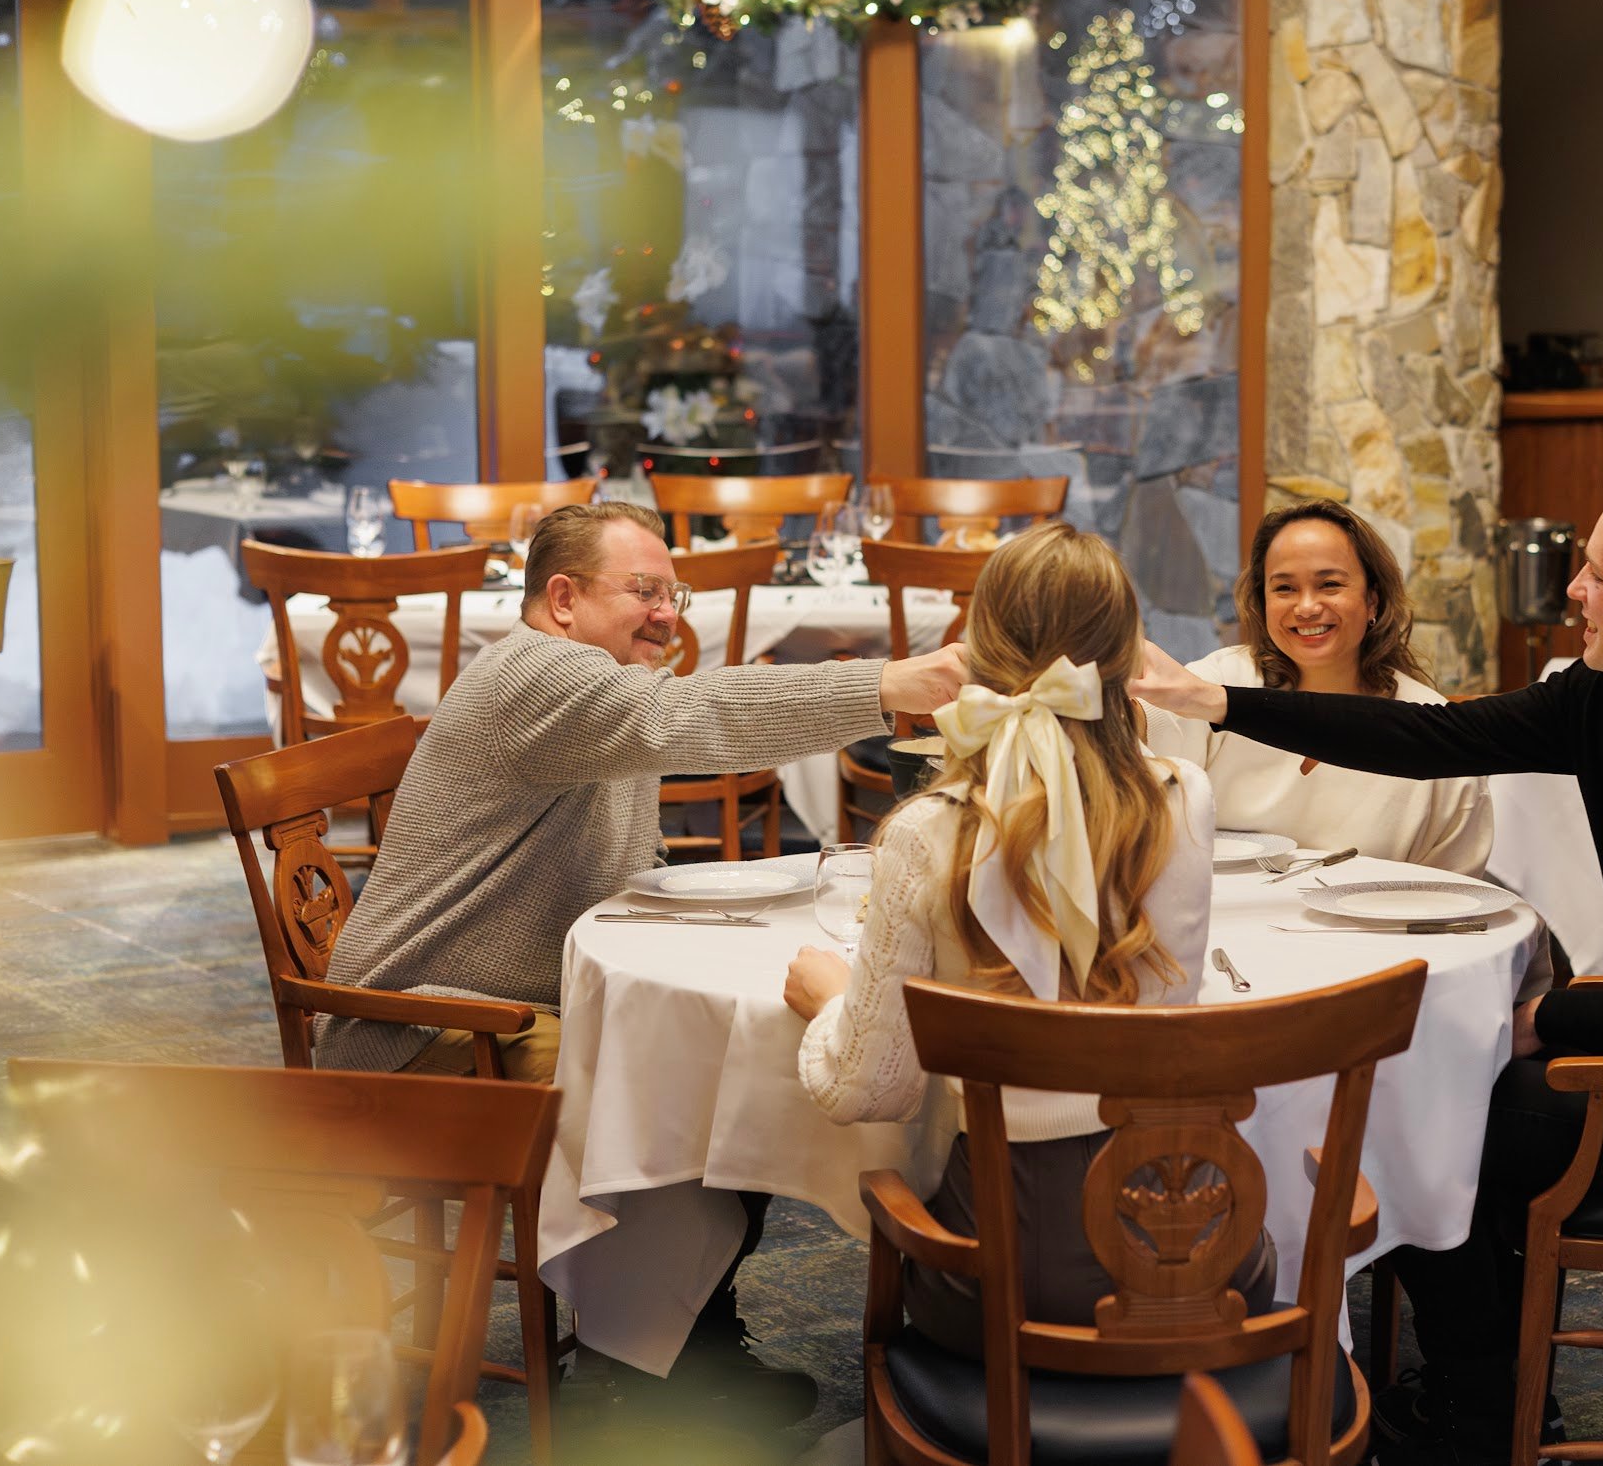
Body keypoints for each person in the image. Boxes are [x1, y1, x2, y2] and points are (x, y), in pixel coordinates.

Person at [1134, 458, 1603, 1466]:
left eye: (1596, 574)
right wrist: (1216, 703)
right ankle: (1485, 1386)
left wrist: (1549, 1019)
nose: (1572, 590)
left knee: (1441, 1113)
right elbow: (1431, 736)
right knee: (1442, 1093)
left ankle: (1482, 1412)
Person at [315, 499, 966, 1405]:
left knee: (729, 1063)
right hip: (424, 1029)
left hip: (520, 1000)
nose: (669, 613)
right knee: (694, 1084)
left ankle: (680, 1340)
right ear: (563, 598)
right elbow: (701, 714)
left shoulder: (604, 681)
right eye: (642, 591)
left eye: (675, 592)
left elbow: (633, 837)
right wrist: (884, 685)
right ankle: (655, 1368)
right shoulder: (540, 677)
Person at [783, 522, 1275, 1353]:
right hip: (1193, 1247)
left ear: (977, 647)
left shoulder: (930, 832)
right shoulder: (1183, 797)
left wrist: (833, 1001)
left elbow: (866, 1089)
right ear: (1128, 652)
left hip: (1004, 1265)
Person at [1143, 499, 1491, 875]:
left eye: (1329, 584)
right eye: (1285, 588)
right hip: (1225, 925)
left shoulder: (1429, 725)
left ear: (1372, 599)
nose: (1306, 607)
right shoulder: (1222, 679)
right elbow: (1145, 738)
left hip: (1373, 932)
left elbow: (1453, 893)